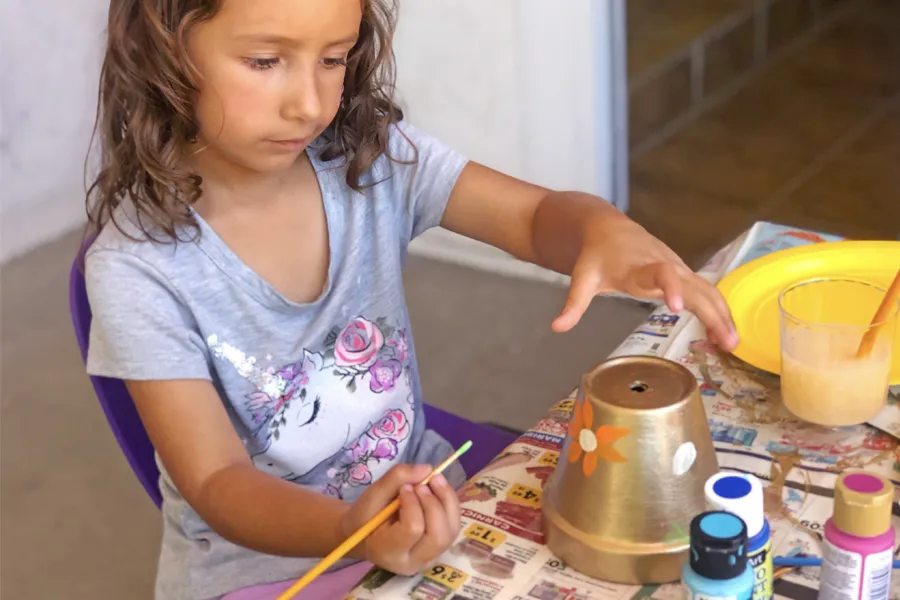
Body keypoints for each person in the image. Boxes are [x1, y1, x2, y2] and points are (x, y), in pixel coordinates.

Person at [83, 0, 739, 598]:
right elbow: (216, 482)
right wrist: (355, 528)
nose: (310, 104)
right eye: (265, 61)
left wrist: (603, 229)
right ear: (161, 46)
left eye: (334, 58)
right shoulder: (136, 270)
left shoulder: (369, 159)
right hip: (265, 569)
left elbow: (535, 217)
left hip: (420, 497)